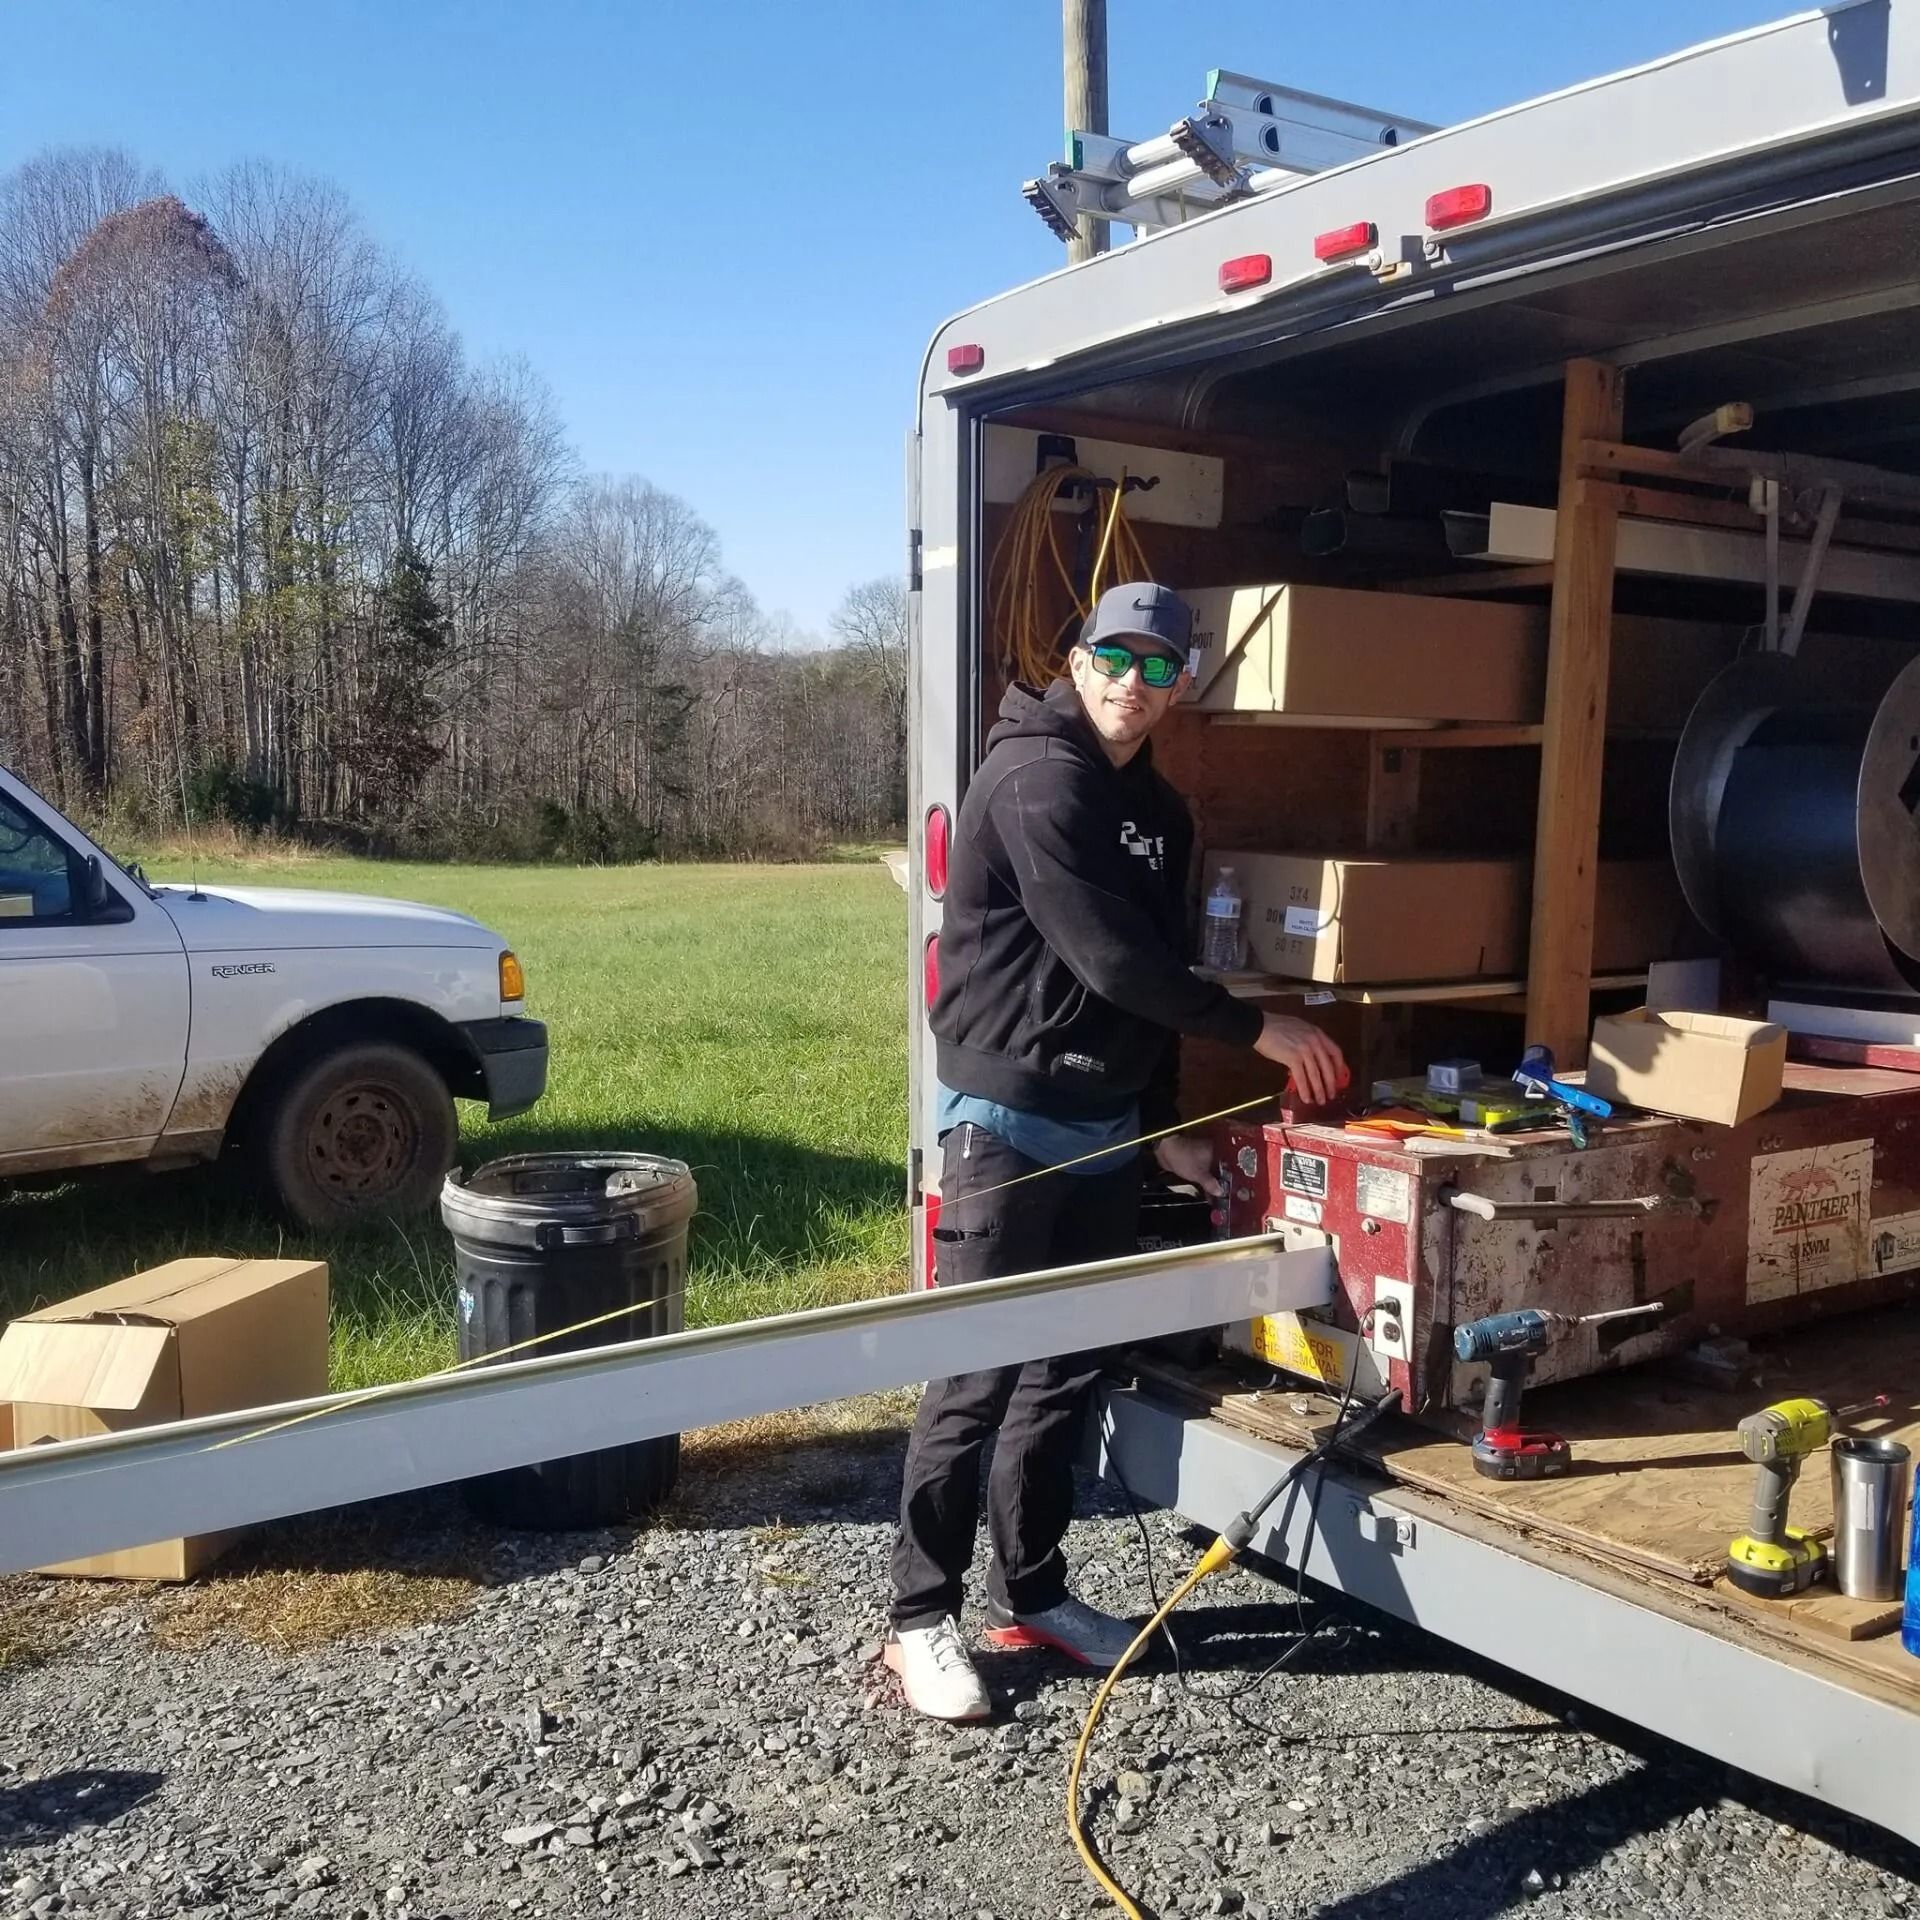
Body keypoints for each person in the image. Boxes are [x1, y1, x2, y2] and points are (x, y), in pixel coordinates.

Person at [885, 580, 1349, 1721]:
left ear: (1180, 684)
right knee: (977, 1376)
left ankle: (1034, 1590)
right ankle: (917, 1622)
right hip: (1007, 1131)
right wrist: (1259, 1027)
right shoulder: (1036, 778)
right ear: (1078, 657)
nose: (1130, 685)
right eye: (1114, 658)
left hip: (1103, 1133)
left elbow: (1149, 989)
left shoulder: (1165, 814)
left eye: (1157, 668)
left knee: (1066, 1375)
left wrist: (1156, 1140)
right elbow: (1107, 959)